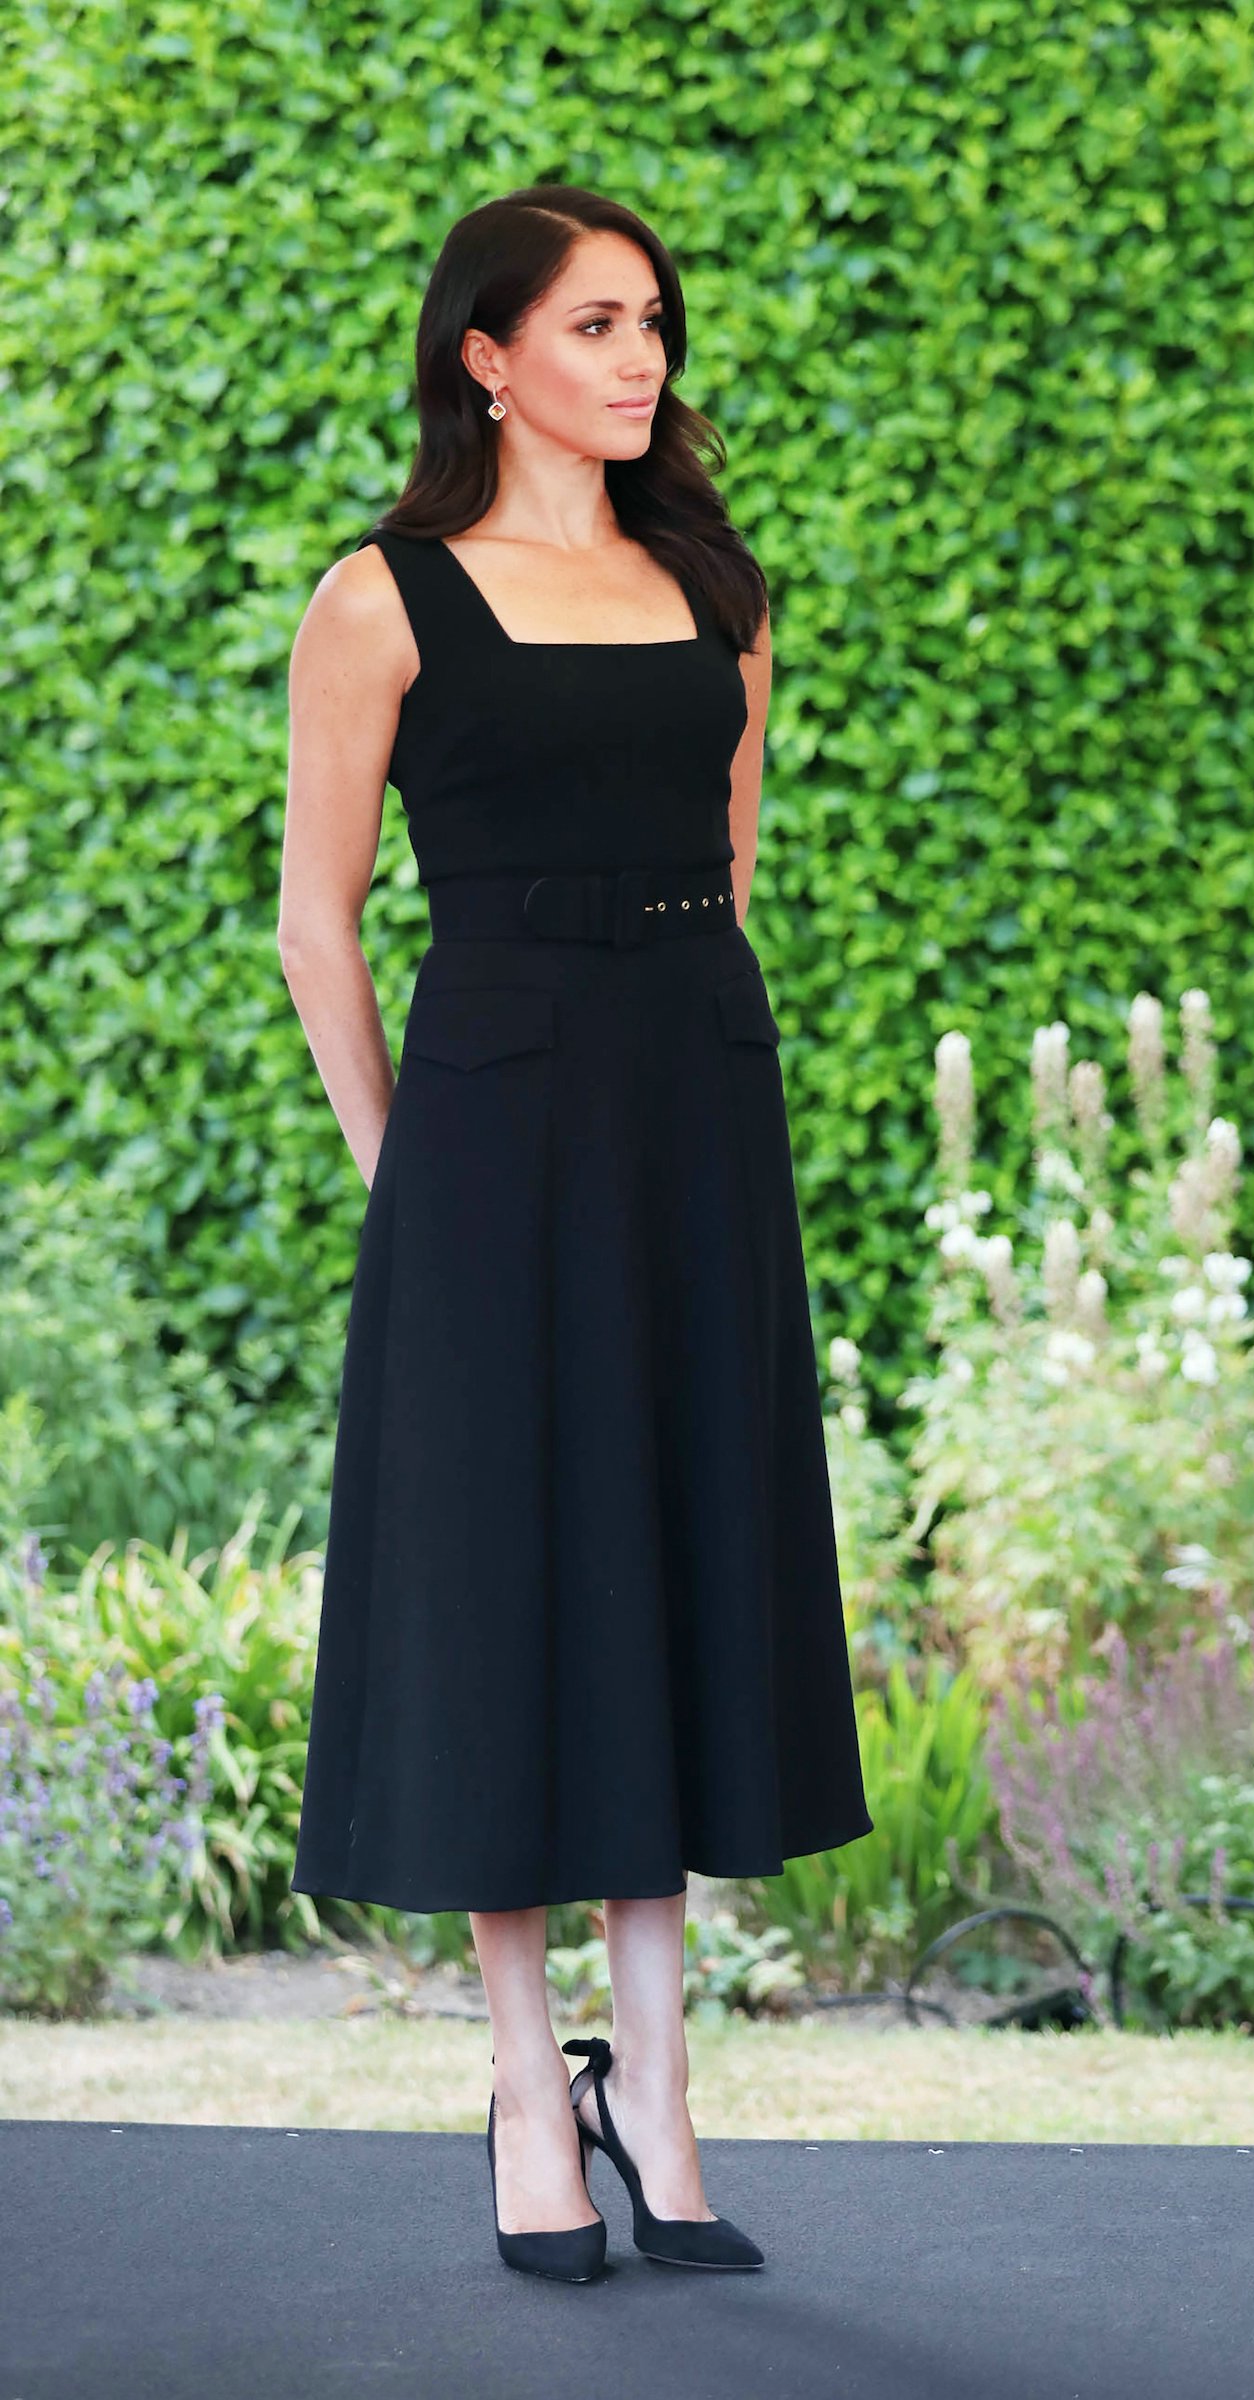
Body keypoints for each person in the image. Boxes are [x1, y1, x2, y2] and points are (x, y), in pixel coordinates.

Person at [277, 185, 873, 2282]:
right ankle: (533, 2088)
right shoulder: (382, 599)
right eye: (598, 324)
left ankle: (662, 2089)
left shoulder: (716, 588)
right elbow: (317, 926)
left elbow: (729, 861)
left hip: (695, 1107)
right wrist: (409, 1180)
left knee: (674, 1556)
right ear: (489, 354)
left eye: (654, 325)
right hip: (491, 1139)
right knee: (509, 1586)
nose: (641, 359)